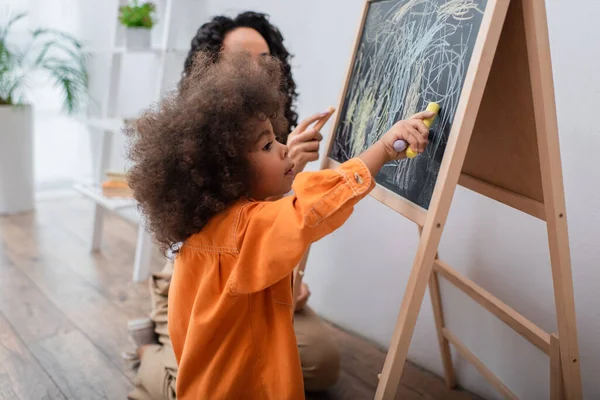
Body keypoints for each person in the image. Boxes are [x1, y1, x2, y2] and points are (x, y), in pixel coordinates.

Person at [126, 49, 432, 399]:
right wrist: (383, 150)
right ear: (226, 173)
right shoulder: (244, 230)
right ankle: (146, 354)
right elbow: (310, 209)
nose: (286, 150)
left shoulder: (214, 228)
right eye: (268, 145)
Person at [125, 12, 342, 400]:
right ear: (208, 68)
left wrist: (292, 166)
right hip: (199, 282)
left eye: (265, 59)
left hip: (257, 283)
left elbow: (277, 226)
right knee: (196, 386)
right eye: (242, 60)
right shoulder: (194, 138)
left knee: (320, 364)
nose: (256, 70)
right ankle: (146, 350)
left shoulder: (274, 127)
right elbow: (230, 230)